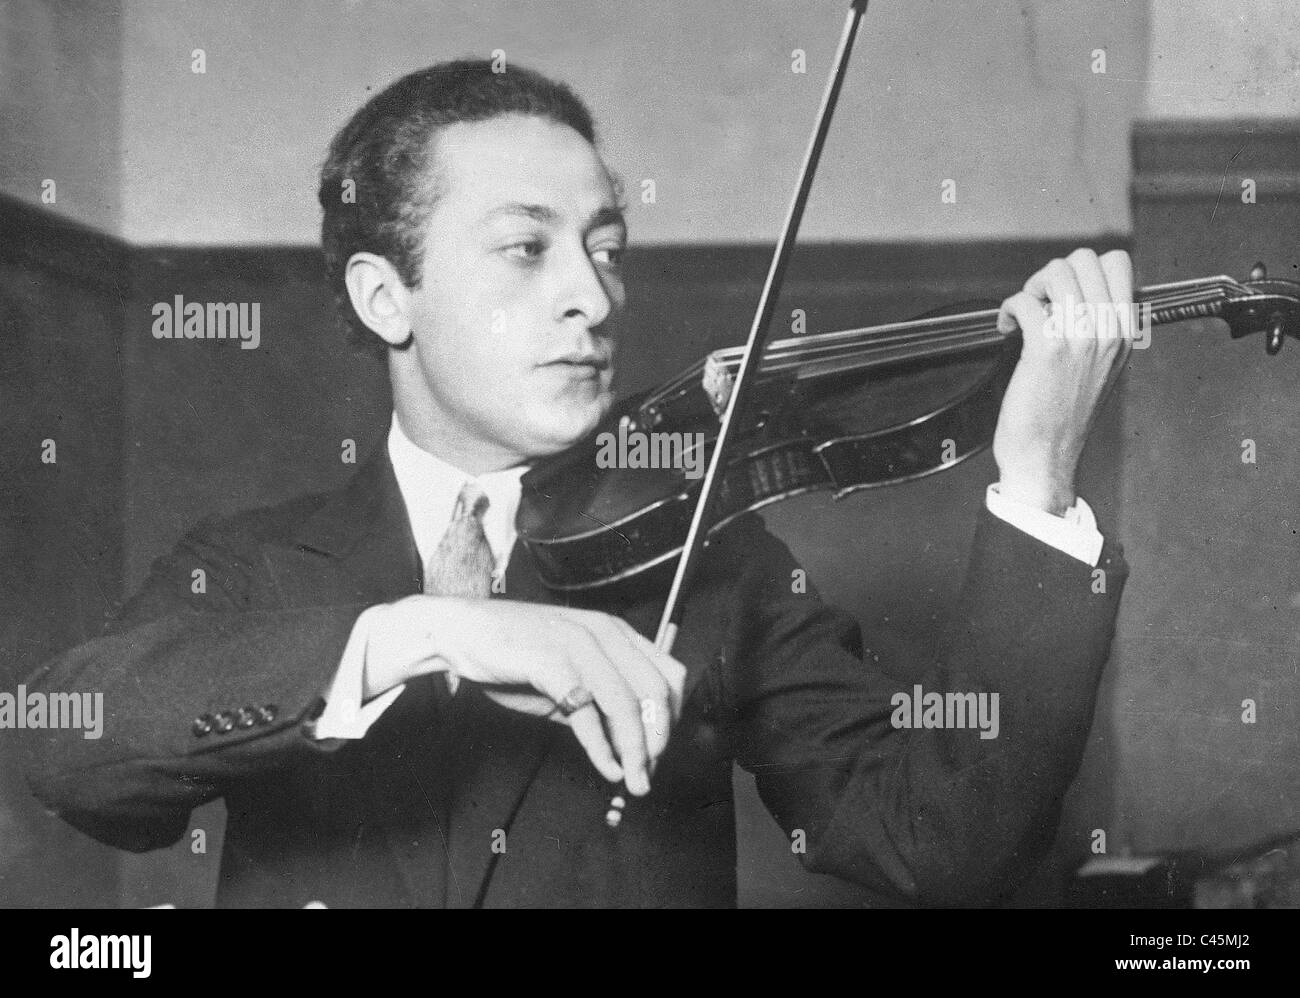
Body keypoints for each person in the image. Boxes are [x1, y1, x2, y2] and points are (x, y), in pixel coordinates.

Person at [19, 59, 1134, 908]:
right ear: (382, 297)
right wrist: (426, 631)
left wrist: (1034, 485)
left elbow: (941, 840)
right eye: (526, 248)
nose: (593, 299)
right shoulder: (252, 565)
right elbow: (68, 749)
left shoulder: (712, 558)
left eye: (606, 247)